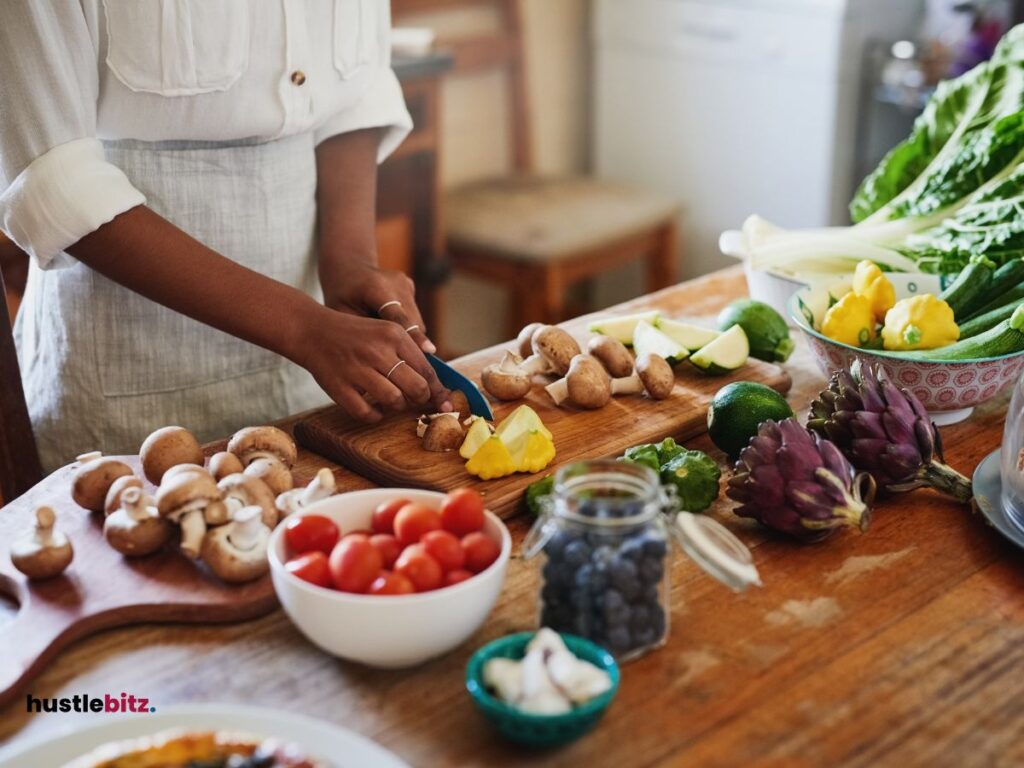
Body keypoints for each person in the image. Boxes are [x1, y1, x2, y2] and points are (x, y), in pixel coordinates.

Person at [0, 1, 452, 473]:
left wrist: (350, 260)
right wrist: (301, 325)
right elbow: (52, 178)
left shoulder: (321, 338)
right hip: (124, 391)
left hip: (315, 370)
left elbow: (355, 92)